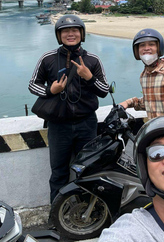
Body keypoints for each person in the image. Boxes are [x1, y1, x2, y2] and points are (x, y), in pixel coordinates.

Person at [28, 14, 109, 203]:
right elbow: (32, 85)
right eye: (65, 31)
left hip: (86, 123)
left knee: (88, 169)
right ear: (59, 35)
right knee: (59, 172)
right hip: (58, 125)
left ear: (82, 33)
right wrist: (51, 90)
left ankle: (88, 210)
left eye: (74, 30)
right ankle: (58, 214)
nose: (70, 34)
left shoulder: (93, 60)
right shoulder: (48, 58)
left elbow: (104, 91)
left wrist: (89, 78)